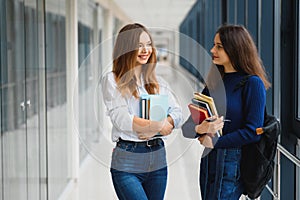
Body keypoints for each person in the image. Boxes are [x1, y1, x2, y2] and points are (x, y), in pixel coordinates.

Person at [182, 24, 271, 200]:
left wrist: (216, 142)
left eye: (219, 46)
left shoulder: (252, 84)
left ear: (235, 48)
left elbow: (253, 132)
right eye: (214, 45)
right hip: (209, 161)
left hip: (233, 161)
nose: (212, 49)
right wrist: (201, 129)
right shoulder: (214, 83)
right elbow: (187, 128)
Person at [101, 23, 183, 200]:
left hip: (158, 158)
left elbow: (177, 112)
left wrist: (166, 122)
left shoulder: (157, 82)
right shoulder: (112, 80)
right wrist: (158, 126)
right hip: (127, 160)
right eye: (139, 45)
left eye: (148, 44)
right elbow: (122, 119)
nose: (145, 49)